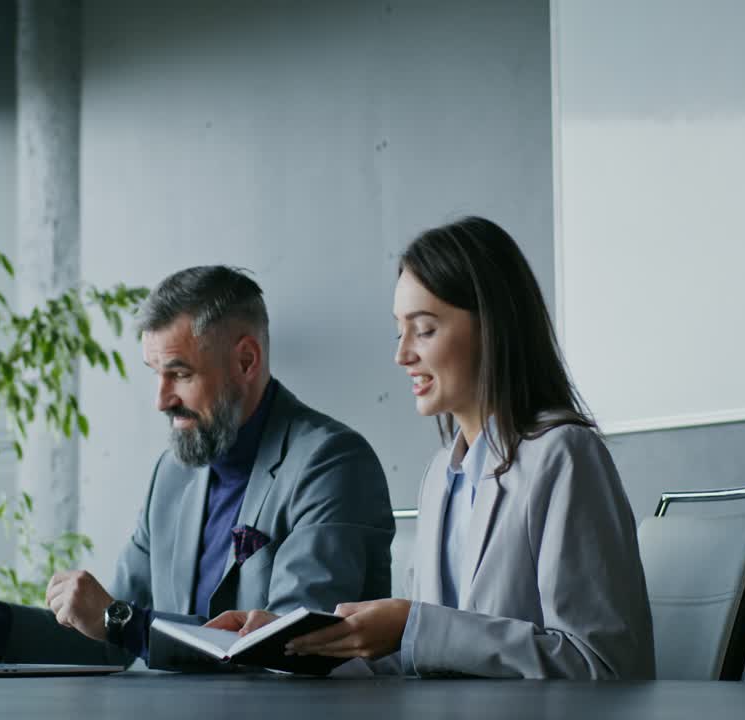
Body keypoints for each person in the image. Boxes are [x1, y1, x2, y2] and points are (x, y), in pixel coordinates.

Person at [209, 217, 655, 679]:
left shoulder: (563, 457)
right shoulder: (441, 476)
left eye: (423, 330)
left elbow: (602, 667)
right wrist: (295, 640)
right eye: (399, 331)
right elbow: (422, 658)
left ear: (493, 327)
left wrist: (412, 626)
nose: (402, 354)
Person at [0, 265, 395, 670]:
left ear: (246, 361)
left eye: (180, 373)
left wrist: (122, 621)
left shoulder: (332, 463)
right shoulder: (172, 475)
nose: (161, 399)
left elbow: (290, 648)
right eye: (156, 373)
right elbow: (109, 643)